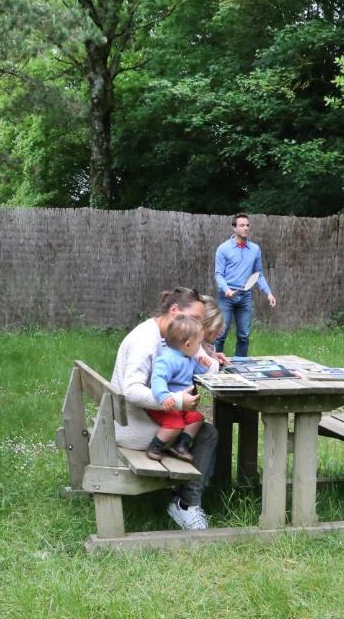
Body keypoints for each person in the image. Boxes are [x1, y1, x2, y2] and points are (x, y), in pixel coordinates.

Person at [110, 287, 218, 530]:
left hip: (134, 418)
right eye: (197, 319)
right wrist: (177, 401)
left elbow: (207, 366)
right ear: (175, 311)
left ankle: (188, 496)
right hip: (131, 427)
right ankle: (186, 505)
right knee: (207, 434)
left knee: (201, 428)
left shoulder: (170, 335)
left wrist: (206, 355)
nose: (199, 325)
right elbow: (132, 390)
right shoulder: (145, 340)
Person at [145, 314, 209, 462]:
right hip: (166, 404)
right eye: (199, 343)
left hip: (182, 406)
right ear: (187, 344)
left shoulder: (188, 357)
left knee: (196, 418)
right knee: (175, 424)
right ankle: (155, 446)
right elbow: (158, 378)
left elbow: (196, 371)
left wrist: (203, 366)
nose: (200, 346)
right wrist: (165, 396)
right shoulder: (167, 359)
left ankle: (181, 445)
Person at [214, 213, 276, 357]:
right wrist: (226, 289)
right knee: (220, 335)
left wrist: (269, 293)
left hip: (245, 296)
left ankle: (240, 367)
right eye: (242, 225)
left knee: (244, 336)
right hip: (226, 297)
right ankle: (215, 366)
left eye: (247, 225)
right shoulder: (223, 249)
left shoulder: (255, 249)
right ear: (234, 228)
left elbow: (258, 274)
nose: (246, 228)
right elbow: (218, 274)